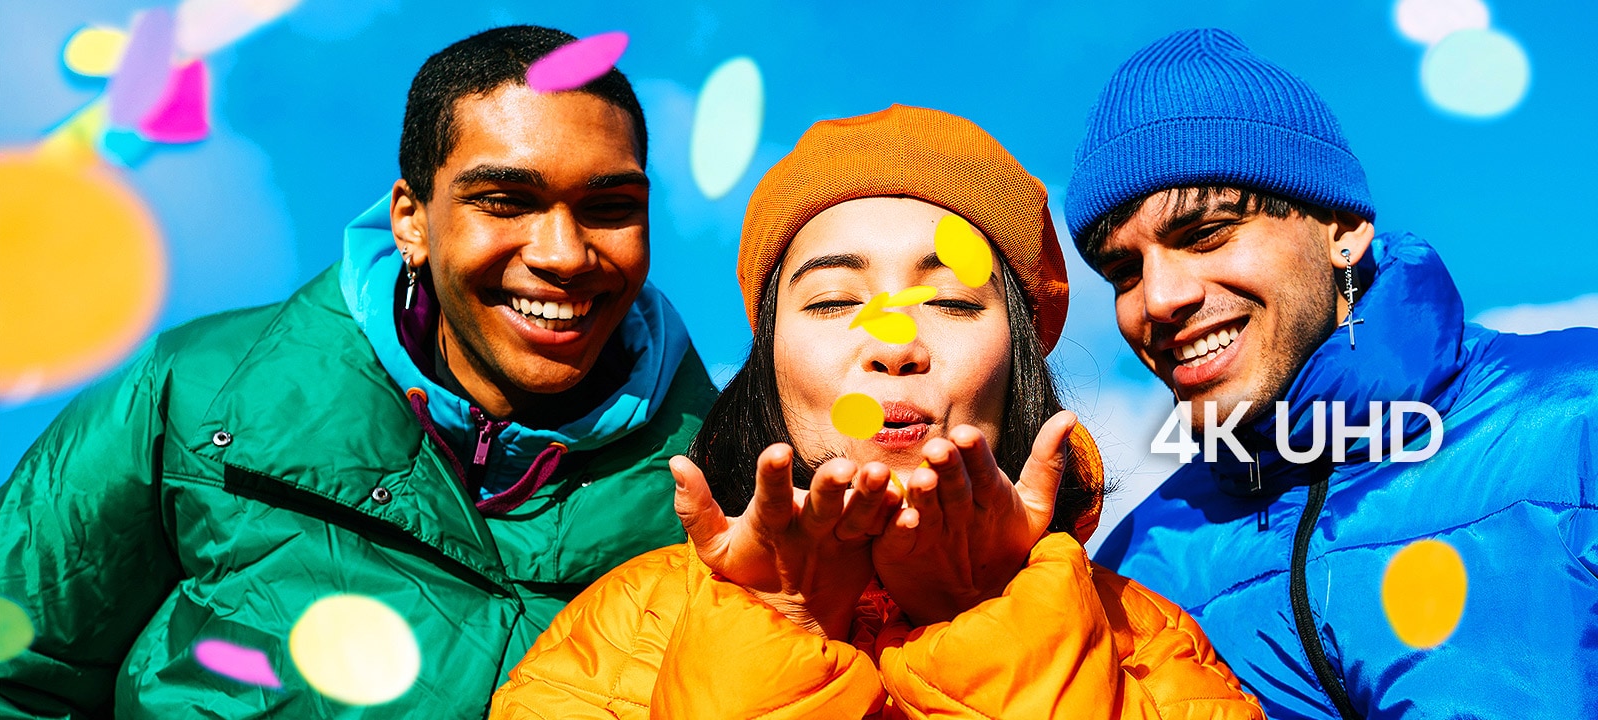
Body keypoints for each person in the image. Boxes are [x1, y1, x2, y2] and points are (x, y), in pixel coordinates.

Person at [0, 25, 716, 718]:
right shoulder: (194, 393)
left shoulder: (730, 488)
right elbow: (17, 676)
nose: (563, 254)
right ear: (411, 220)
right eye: (505, 201)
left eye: (610, 207)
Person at [489, 104, 1264, 719]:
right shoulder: (616, 634)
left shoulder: (1147, 641)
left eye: (954, 302)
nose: (894, 346)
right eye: (832, 301)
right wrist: (776, 628)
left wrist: (990, 622)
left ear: (1019, 367)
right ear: (768, 370)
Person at [1069, 29, 1598, 720]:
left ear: (1342, 228)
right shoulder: (1139, 569)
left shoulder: (1576, 419)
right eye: (1123, 272)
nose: (1159, 299)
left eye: (1206, 235)